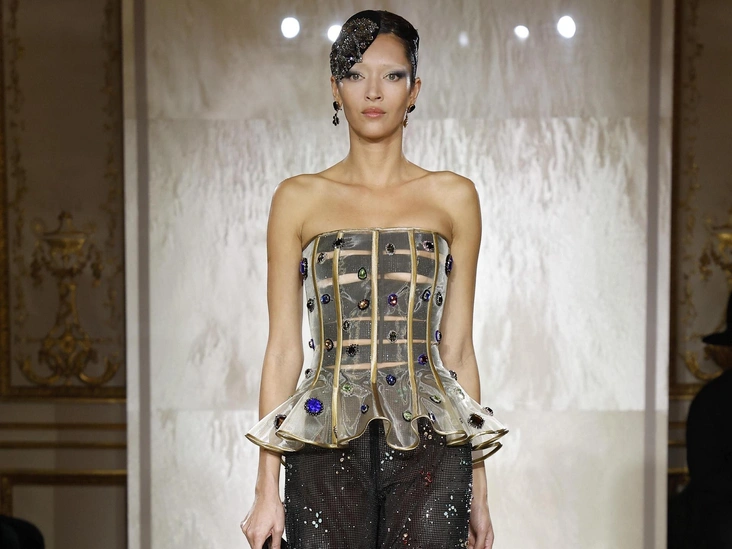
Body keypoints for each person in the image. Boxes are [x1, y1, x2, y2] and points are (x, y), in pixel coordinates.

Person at [241, 10, 508, 549]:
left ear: (414, 90)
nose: (373, 91)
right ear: (334, 88)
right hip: (323, 444)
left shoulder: (454, 197)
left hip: (433, 446)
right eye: (355, 74)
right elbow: (283, 350)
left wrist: (480, 491)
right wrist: (265, 487)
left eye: (392, 75)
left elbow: (458, 349)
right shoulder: (297, 199)